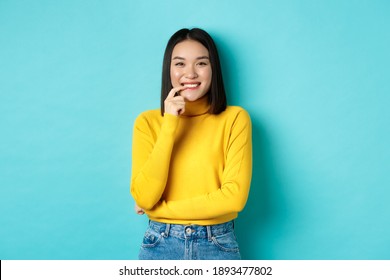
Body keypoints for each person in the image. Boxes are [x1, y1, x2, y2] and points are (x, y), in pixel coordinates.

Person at [130, 28, 252, 260]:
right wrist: (170, 124)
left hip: (217, 244)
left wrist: (160, 210)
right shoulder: (147, 122)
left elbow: (234, 198)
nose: (190, 73)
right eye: (180, 64)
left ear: (213, 68)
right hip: (160, 243)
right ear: (169, 69)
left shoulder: (235, 119)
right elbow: (145, 197)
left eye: (201, 63)